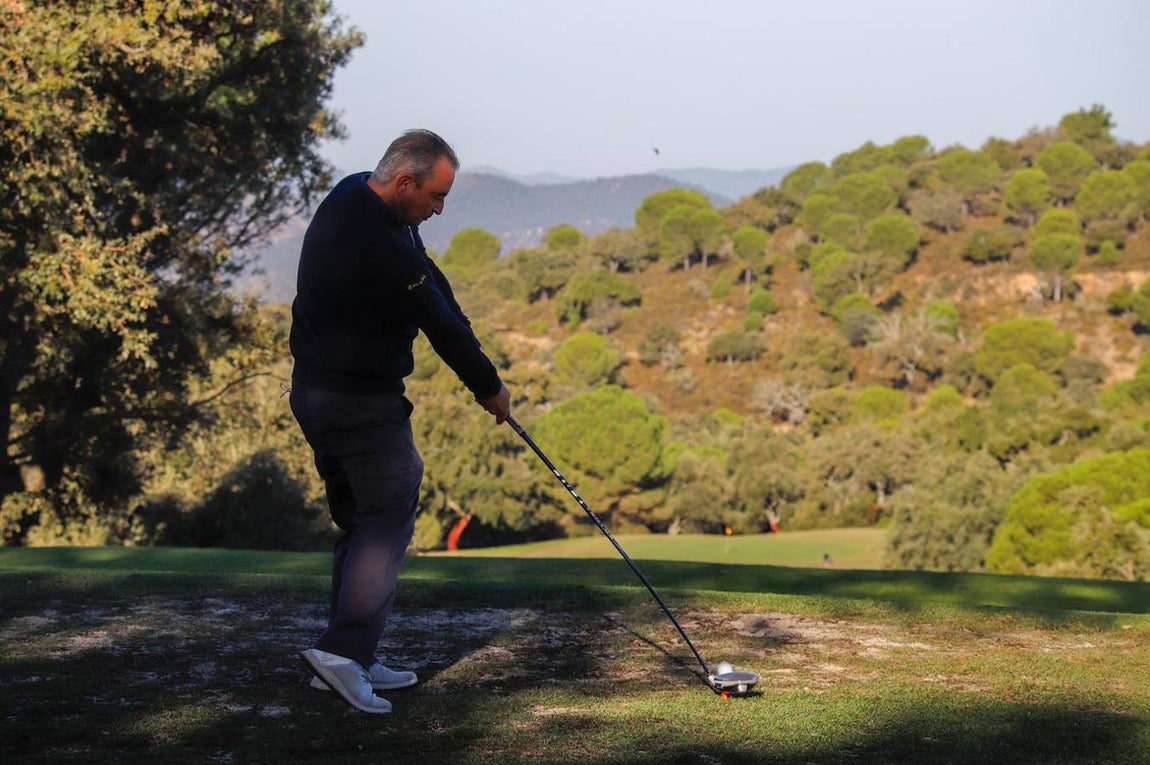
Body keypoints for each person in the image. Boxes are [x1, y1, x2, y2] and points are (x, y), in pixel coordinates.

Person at [288, 129, 511, 714]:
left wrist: (469, 333)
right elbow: (435, 322)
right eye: (435, 197)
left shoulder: (357, 196)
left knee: (361, 522)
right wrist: (489, 387)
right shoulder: (375, 242)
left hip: (316, 394)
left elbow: (432, 281)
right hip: (356, 404)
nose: (438, 210)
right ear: (405, 181)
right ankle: (343, 653)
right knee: (387, 517)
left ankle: (347, 659)